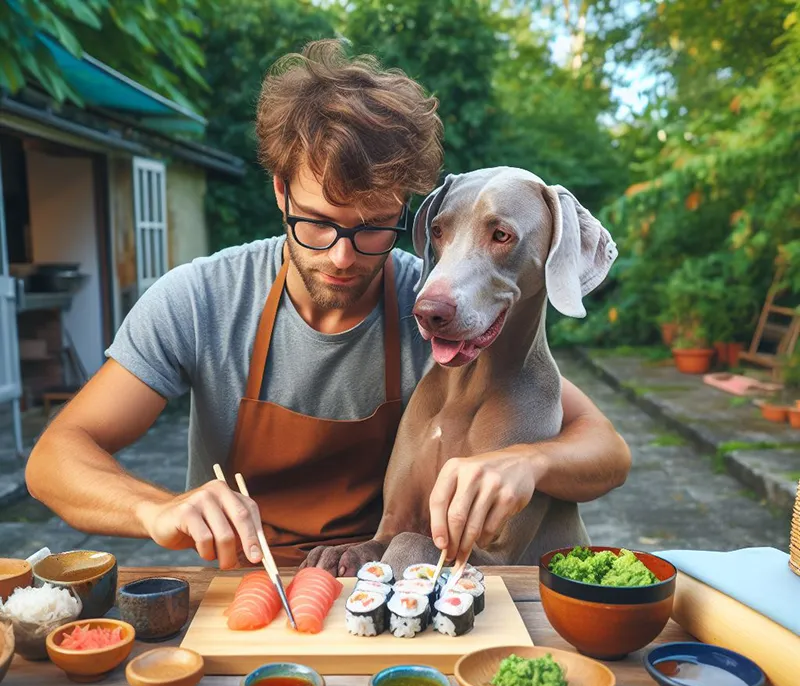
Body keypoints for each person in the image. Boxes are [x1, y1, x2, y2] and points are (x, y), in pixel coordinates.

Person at [25, 40, 631, 571]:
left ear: (404, 211)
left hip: (378, 575)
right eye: (318, 224)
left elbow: (603, 447)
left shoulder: (439, 306)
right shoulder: (201, 299)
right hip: (247, 591)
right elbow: (54, 458)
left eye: (372, 228)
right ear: (281, 191)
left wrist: (527, 461)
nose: (343, 258)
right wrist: (156, 508)